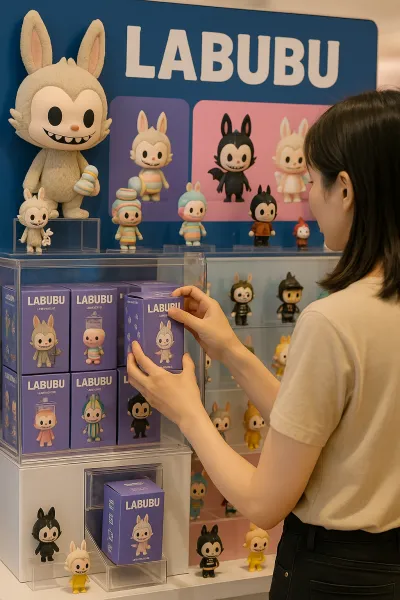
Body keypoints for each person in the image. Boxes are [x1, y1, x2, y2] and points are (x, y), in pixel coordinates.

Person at [127, 90, 400, 598]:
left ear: (345, 189)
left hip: (334, 575)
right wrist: (232, 351)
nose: (308, 198)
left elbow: (262, 502)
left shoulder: (333, 320)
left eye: (312, 180)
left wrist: (189, 412)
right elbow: (320, 428)